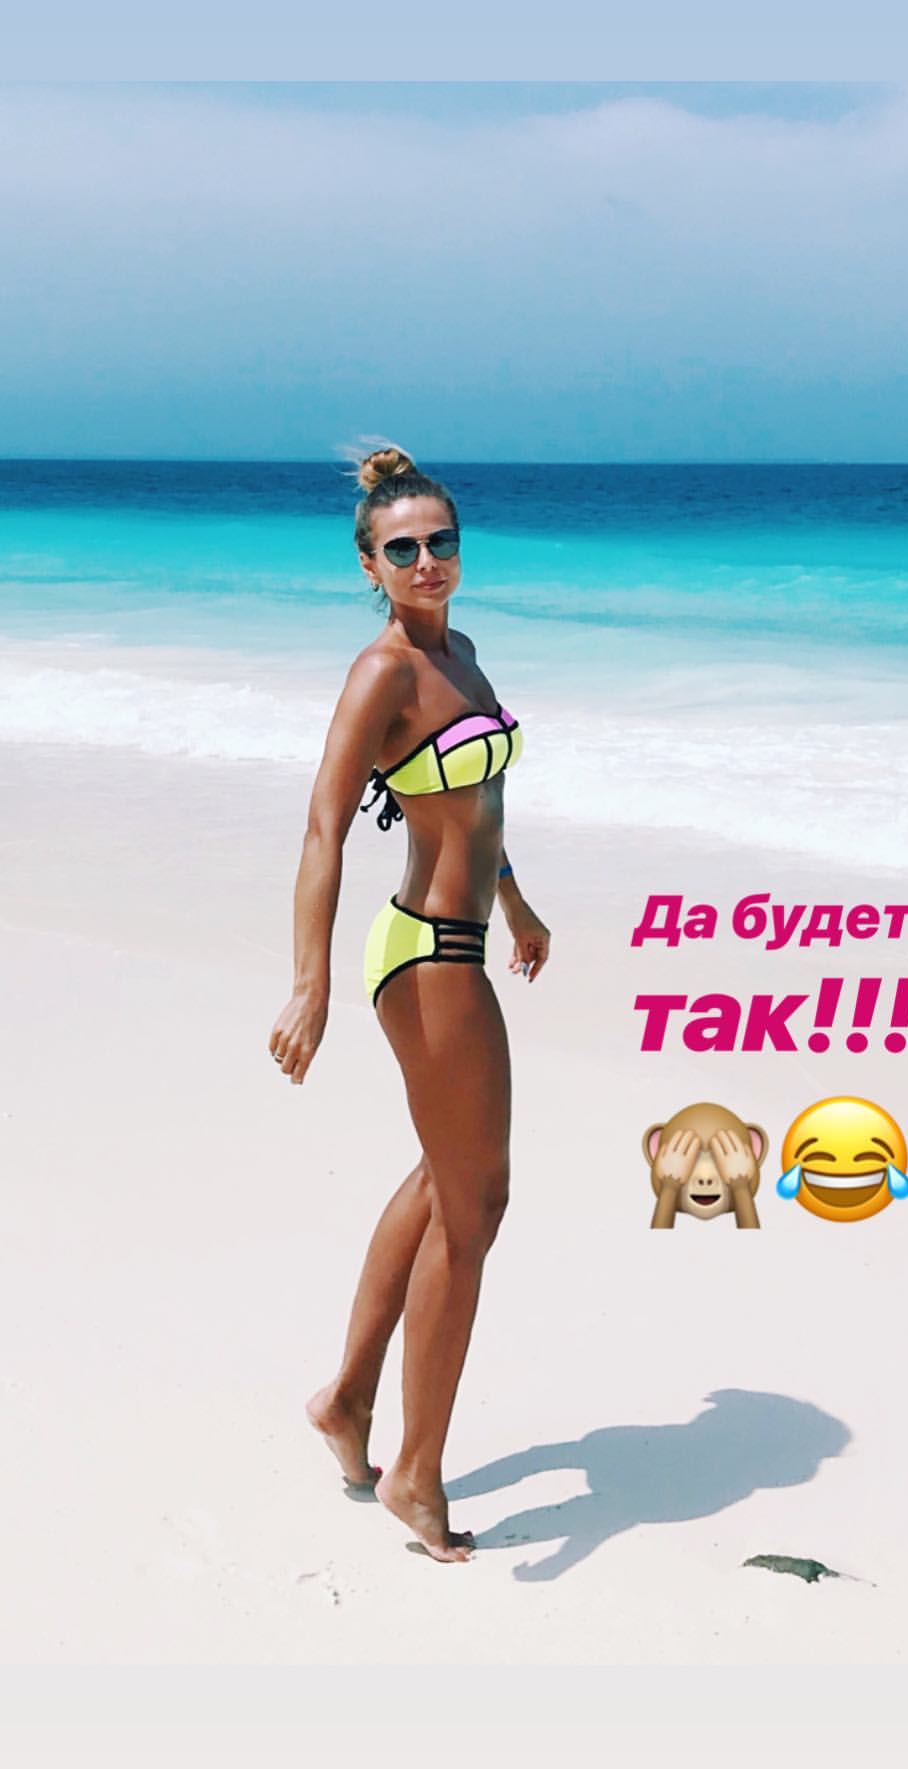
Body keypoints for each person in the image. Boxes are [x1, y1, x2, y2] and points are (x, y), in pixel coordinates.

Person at [269, 446, 551, 1562]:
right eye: (403, 549)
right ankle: (415, 1474)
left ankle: (347, 1403)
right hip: (429, 955)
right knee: (476, 1209)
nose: (427, 561)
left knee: (445, 1175)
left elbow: (477, 803)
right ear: (369, 565)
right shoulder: (383, 672)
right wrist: (310, 984)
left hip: (467, 937)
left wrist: (517, 903)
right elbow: (322, 829)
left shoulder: (462, 655)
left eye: (441, 542)